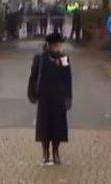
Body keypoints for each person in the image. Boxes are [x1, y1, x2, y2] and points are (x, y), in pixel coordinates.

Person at [28, 33, 72, 166]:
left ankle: (56, 152)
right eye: (57, 44)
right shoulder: (40, 58)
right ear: (50, 45)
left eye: (60, 44)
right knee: (44, 126)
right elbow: (33, 76)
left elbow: (67, 78)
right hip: (45, 96)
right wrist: (32, 93)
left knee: (58, 126)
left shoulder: (64, 58)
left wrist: (68, 96)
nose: (59, 47)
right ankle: (45, 153)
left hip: (58, 97)